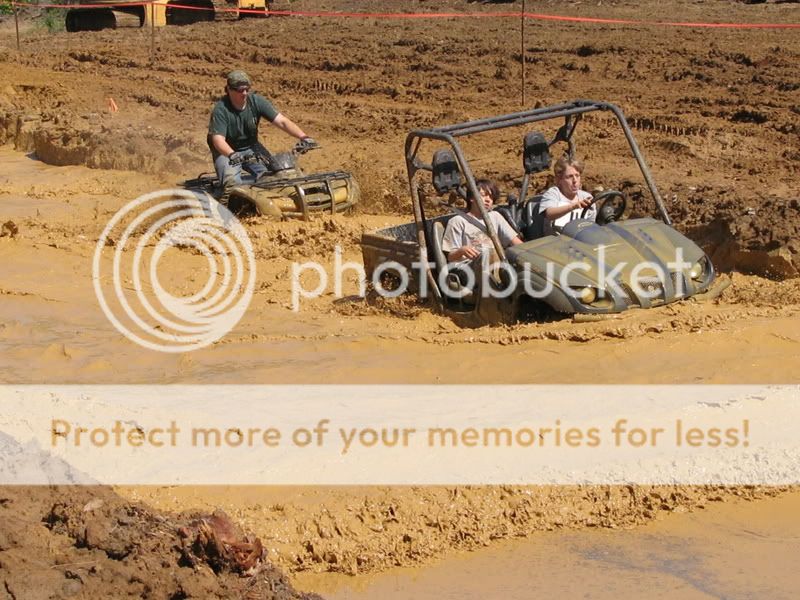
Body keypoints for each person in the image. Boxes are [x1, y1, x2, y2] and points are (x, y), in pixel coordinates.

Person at [207, 70, 316, 188]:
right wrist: (232, 155)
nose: (244, 93)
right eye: (240, 90)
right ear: (229, 89)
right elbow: (218, 140)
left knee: (276, 174)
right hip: (227, 152)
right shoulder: (221, 109)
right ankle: (226, 205)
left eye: (247, 89)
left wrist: (304, 137)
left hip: (251, 146)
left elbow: (282, 122)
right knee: (231, 184)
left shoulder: (256, 101)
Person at [442, 179, 522, 271]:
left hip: (496, 262)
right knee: (490, 255)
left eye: (491, 197)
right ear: (471, 198)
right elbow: (450, 257)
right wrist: (462, 250)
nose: (488, 200)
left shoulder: (495, 216)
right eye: (483, 195)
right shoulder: (458, 221)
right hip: (468, 268)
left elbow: (516, 242)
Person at [539, 156, 596, 234]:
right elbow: (549, 214)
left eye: (577, 175)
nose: (575, 180)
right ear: (559, 180)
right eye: (570, 177)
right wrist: (573, 206)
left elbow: (591, 227)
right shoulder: (553, 193)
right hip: (555, 242)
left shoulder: (586, 197)